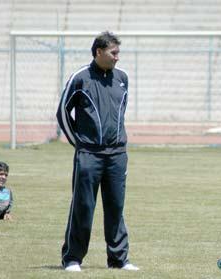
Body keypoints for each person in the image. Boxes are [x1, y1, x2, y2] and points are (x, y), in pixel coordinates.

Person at [56, 31, 138, 272]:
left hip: (117, 155)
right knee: (83, 206)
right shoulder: (80, 78)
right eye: (113, 53)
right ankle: (72, 259)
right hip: (89, 155)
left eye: (118, 53)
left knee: (116, 207)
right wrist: (80, 143)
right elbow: (62, 113)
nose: (117, 58)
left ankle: (119, 260)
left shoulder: (122, 78)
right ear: (98, 52)